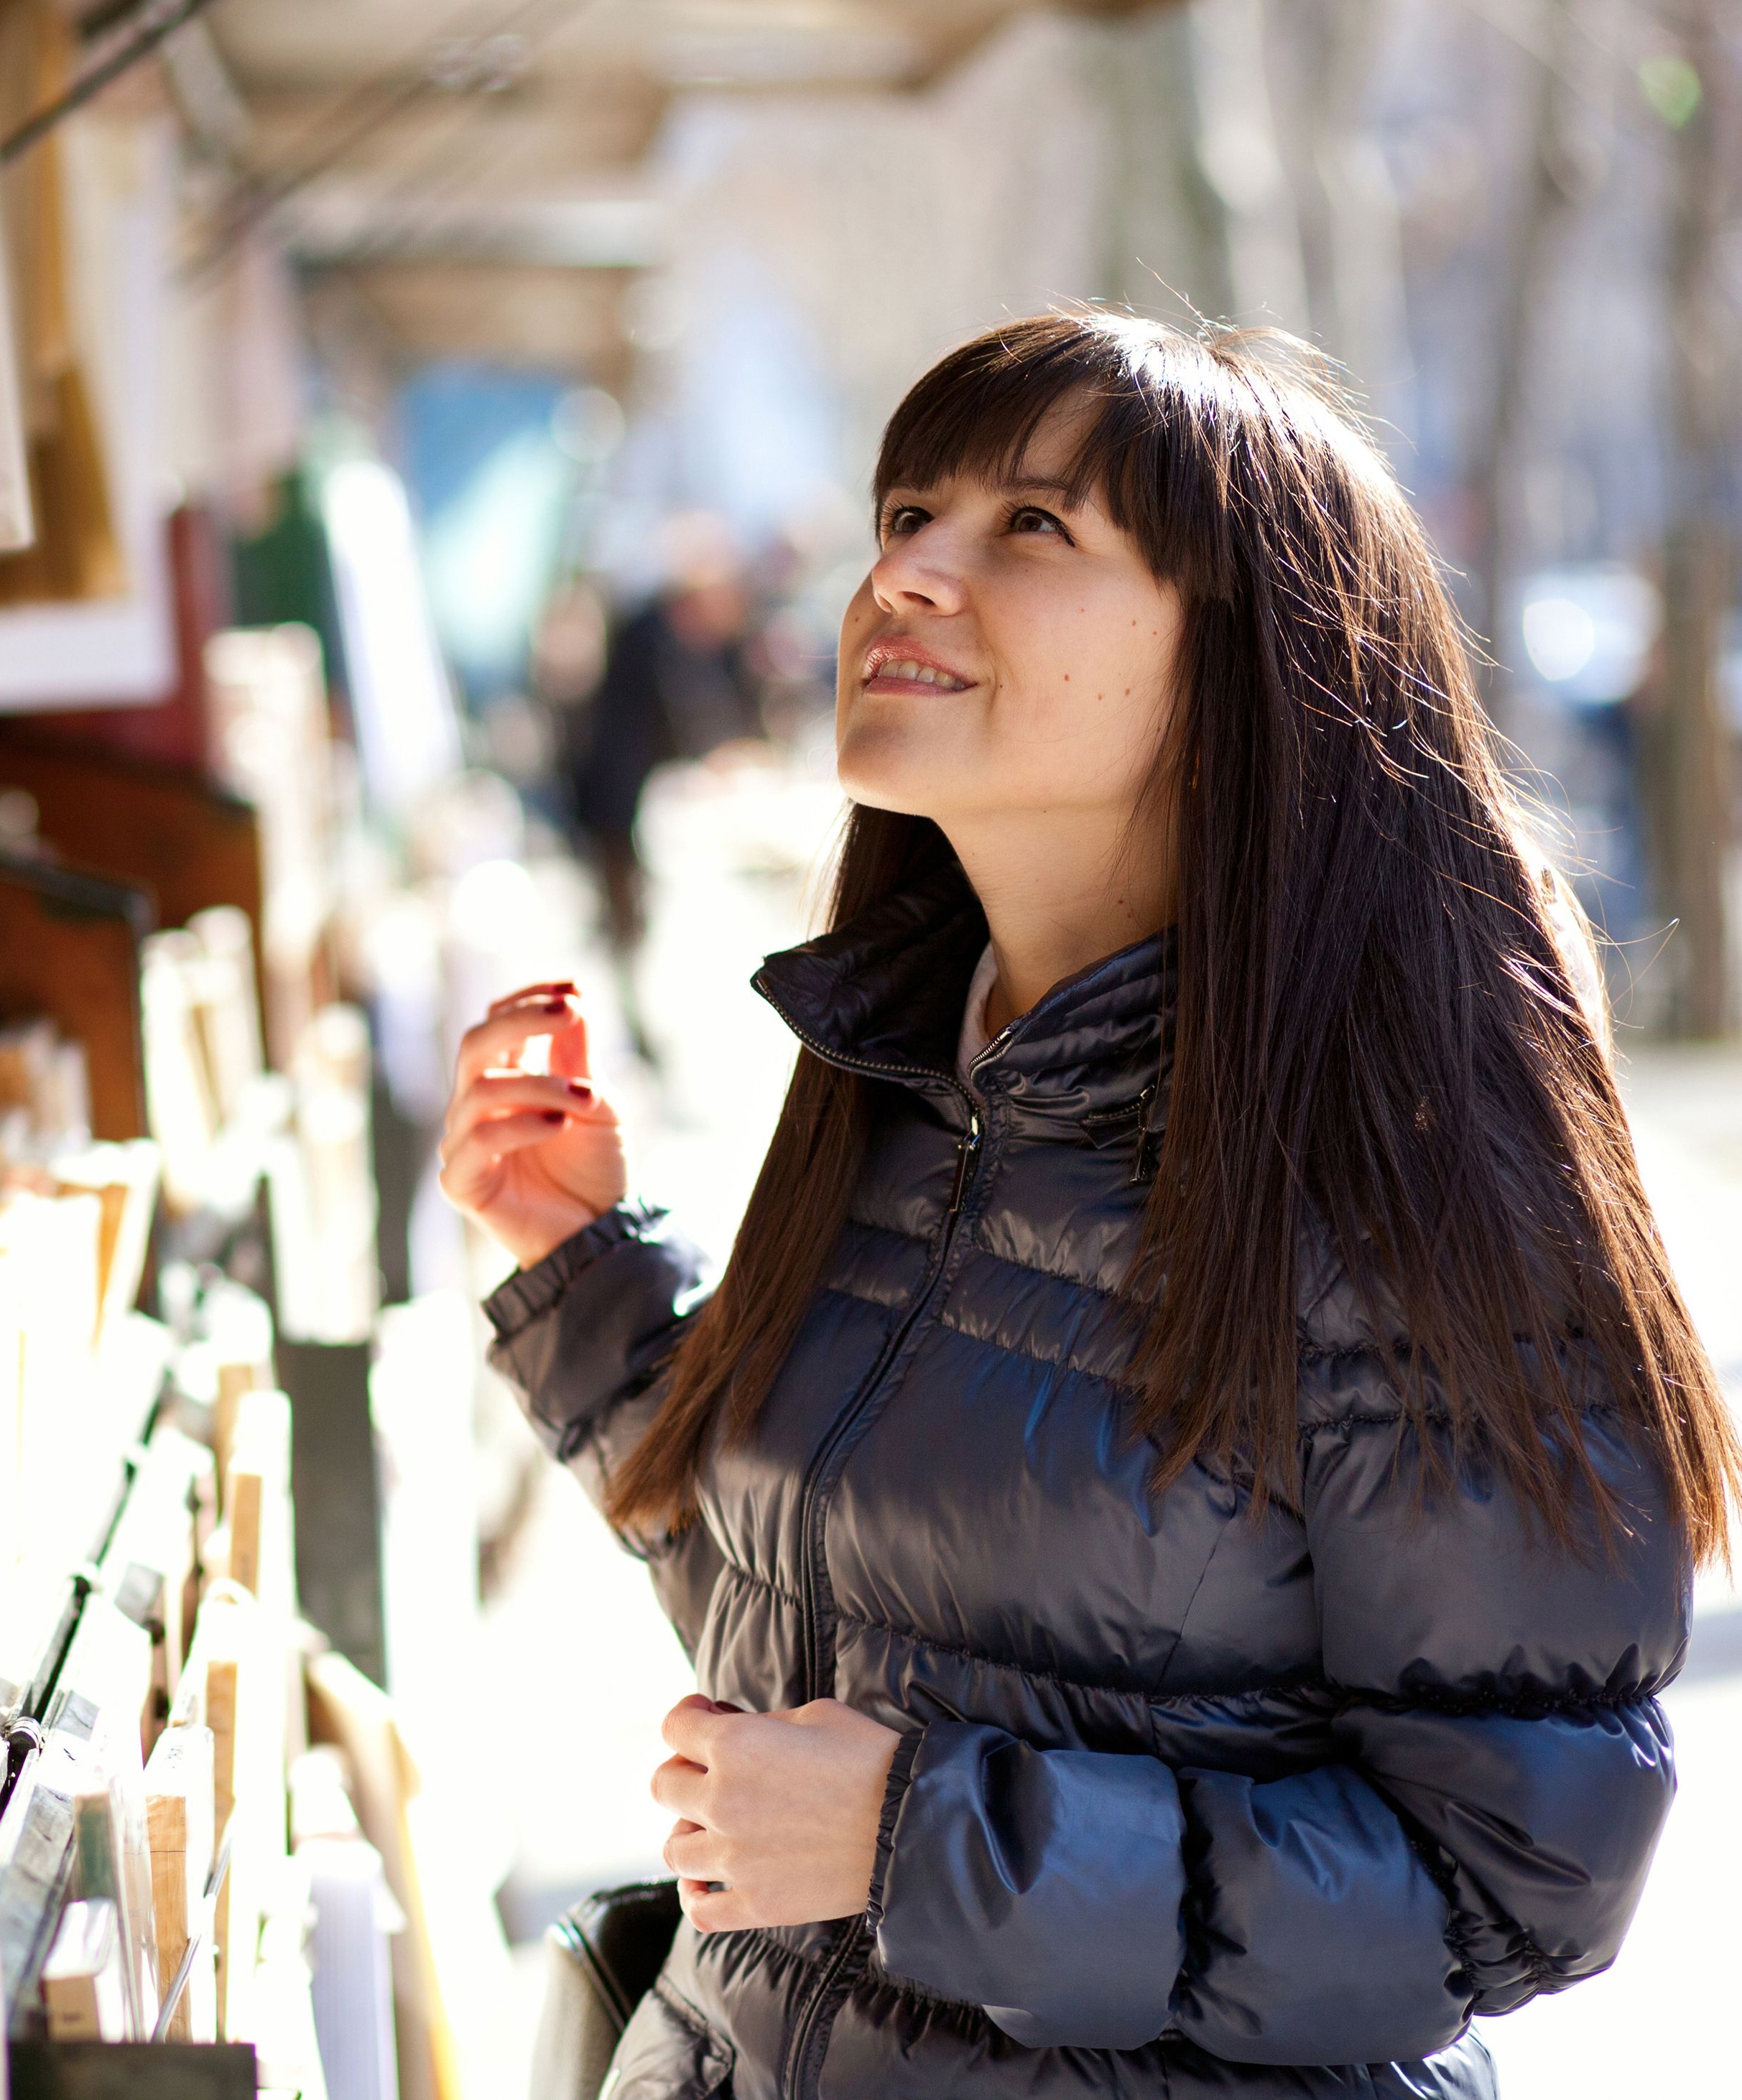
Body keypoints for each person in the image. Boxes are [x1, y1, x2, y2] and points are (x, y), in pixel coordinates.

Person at [442, 313, 1738, 2099]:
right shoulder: (901, 1064)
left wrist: (921, 1842)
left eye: (1028, 528)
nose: (900, 571)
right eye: (904, 512)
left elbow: (1501, 1881)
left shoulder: (1413, 1150)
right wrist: (582, 1272)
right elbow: (834, 1627)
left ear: (1247, 658)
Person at [569, 516, 768, 955]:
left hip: (651, 794)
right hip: (622, 793)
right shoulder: (650, 638)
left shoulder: (705, 641)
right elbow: (684, 714)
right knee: (629, 913)